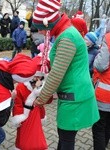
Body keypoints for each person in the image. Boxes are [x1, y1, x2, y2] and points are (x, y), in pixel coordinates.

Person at [32, 0, 99, 150]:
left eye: (40, 28)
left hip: (74, 98)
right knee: (65, 137)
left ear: (47, 23)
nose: (41, 32)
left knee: (66, 138)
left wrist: (41, 99)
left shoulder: (67, 38)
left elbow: (56, 74)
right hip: (72, 95)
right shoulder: (65, 32)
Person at [11, 54, 52, 149]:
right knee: (24, 138)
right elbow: (17, 103)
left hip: (36, 114)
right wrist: (18, 117)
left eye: (39, 77)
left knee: (36, 137)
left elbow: (47, 101)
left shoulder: (42, 86)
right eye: (35, 76)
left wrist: (42, 90)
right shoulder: (22, 86)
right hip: (24, 116)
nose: (37, 79)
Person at [92, 19, 110, 150]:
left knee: (99, 127)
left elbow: (101, 65)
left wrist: (97, 56)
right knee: (108, 124)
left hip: (105, 92)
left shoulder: (108, 39)